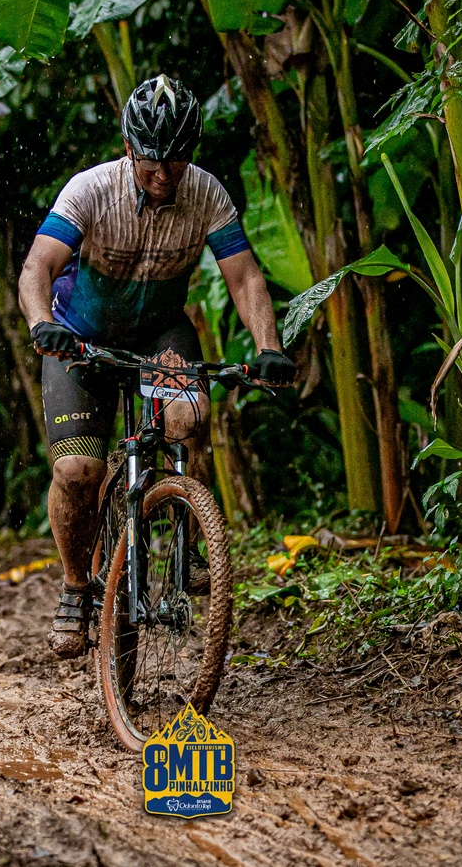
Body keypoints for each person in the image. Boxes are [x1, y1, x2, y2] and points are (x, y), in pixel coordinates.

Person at [18, 75, 296, 659]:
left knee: (187, 419)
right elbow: (37, 266)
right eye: (151, 161)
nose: (165, 174)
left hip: (160, 336)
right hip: (79, 339)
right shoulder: (90, 191)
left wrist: (269, 346)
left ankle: (182, 537)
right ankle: (76, 587)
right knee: (78, 472)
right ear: (128, 148)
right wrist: (42, 323)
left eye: (177, 159)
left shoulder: (207, 194)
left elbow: (244, 276)